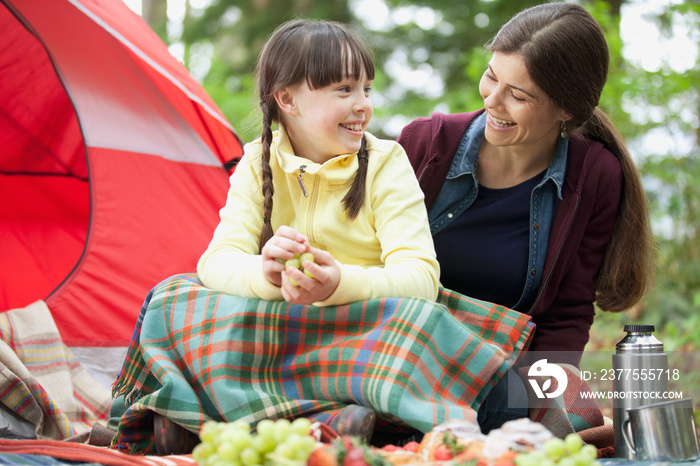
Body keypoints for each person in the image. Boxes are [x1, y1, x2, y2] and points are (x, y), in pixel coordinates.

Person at [109, 18, 534, 455]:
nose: (362, 105)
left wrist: (338, 284)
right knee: (172, 295)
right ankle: (248, 415)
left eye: (366, 89)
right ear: (288, 98)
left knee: (423, 322)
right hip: (277, 331)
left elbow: (420, 277)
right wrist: (265, 274)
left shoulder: (387, 162)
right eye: (344, 90)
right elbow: (217, 260)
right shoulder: (257, 162)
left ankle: (306, 421)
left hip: (359, 329)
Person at [398, 2, 655, 435]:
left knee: (582, 421)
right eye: (492, 77)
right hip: (399, 356)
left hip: (503, 374)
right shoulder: (423, 145)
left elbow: (566, 313)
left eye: (518, 95)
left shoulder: (594, 176)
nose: (492, 101)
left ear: (566, 110)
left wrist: (545, 415)